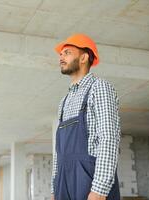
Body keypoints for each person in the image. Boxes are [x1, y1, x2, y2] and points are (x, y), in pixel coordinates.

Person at [50, 34, 121, 200]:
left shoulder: (99, 88)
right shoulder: (64, 101)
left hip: (89, 182)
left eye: (67, 52)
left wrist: (99, 190)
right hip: (63, 183)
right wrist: (54, 189)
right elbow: (58, 152)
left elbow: (109, 138)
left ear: (84, 57)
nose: (61, 57)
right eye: (61, 54)